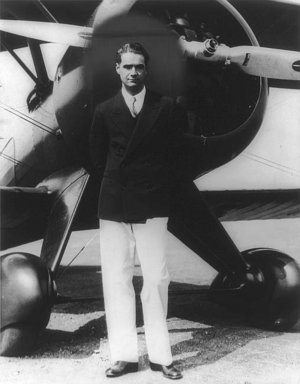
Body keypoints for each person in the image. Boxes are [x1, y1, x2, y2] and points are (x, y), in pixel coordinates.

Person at [89, 42, 188, 380]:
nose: (133, 72)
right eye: (127, 66)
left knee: (156, 279)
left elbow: (177, 158)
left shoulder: (167, 107)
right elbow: (97, 160)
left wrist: (156, 188)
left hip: (152, 203)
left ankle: (162, 357)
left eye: (139, 67)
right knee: (116, 279)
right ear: (117, 69)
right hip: (114, 203)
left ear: (147, 70)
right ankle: (124, 356)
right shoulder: (104, 110)